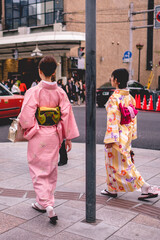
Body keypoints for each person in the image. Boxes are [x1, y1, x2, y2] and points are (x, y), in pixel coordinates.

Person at [19, 56, 79, 225]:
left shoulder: (33, 92)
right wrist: (66, 138)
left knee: (37, 168)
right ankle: (47, 201)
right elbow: (66, 115)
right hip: (53, 134)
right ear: (54, 72)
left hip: (38, 134)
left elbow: (26, 116)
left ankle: (44, 203)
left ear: (39, 71)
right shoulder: (61, 92)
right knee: (51, 169)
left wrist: (30, 130)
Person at [101, 68, 158, 201]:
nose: (111, 79)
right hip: (125, 134)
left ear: (116, 81)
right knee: (115, 163)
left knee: (123, 165)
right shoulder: (129, 97)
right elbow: (133, 119)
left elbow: (112, 119)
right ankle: (111, 188)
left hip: (116, 137)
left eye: (112, 77)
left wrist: (111, 138)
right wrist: (131, 135)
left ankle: (145, 187)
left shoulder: (114, 98)